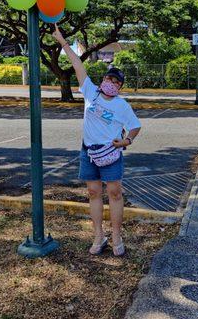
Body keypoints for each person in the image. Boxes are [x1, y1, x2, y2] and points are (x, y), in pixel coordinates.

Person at [52, 24, 141, 257]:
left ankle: (117, 237)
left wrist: (126, 142)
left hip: (110, 154)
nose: (112, 83)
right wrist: (62, 42)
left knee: (114, 193)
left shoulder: (122, 105)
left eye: (117, 82)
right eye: (110, 79)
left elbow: (135, 126)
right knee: (93, 192)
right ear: (103, 80)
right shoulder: (90, 92)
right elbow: (77, 64)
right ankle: (99, 236)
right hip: (88, 152)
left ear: (120, 87)